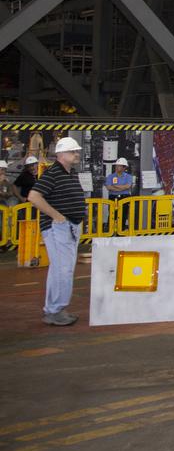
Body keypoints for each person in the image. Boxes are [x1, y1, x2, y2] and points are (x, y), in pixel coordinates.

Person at [27, 137, 88, 326]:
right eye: (72, 152)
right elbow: (34, 196)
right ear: (61, 154)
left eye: (76, 151)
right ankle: (56, 309)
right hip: (60, 227)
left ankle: (54, 309)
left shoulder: (69, 173)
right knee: (63, 269)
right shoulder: (53, 173)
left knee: (59, 269)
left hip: (67, 227)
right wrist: (57, 216)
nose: (76, 154)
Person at [105, 157, 136, 229]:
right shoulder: (110, 176)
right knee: (112, 214)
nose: (117, 167)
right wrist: (122, 187)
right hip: (113, 197)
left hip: (124, 197)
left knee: (123, 214)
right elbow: (109, 187)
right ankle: (110, 231)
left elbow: (127, 186)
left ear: (124, 167)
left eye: (119, 166)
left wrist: (115, 186)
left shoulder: (128, 177)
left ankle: (121, 231)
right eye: (116, 165)